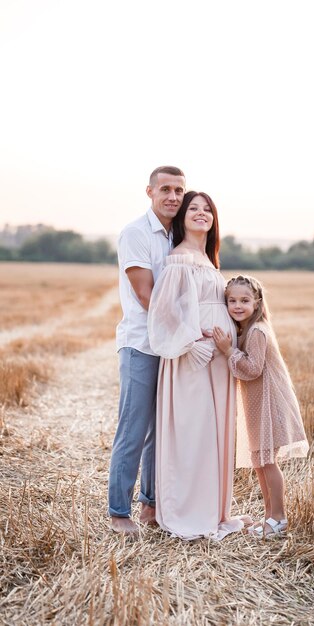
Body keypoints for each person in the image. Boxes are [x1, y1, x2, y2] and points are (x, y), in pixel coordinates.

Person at [147, 191, 249, 540]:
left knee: (214, 434)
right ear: (182, 218)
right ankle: (189, 512)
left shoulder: (207, 259)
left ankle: (214, 510)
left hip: (219, 361)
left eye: (207, 209)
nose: (202, 213)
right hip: (196, 358)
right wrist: (192, 342)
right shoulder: (179, 259)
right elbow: (164, 311)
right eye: (194, 208)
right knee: (194, 433)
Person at [108, 165, 186, 535]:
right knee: (134, 429)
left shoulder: (179, 238)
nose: (173, 197)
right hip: (141, 344)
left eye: (179, 191)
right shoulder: (136, 233)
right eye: (166, 189)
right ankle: (118, 513)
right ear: (150, 192)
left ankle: (151, 508)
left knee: (162, 431)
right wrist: (188, 333)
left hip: (171, 349)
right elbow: (145, 296)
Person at [212, 275, 309, 538]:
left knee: (268, 462)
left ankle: (278, 517)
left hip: (270, 403)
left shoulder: (256, 331)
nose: (237, 305)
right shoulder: (248, 329)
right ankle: (269, 517)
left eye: (244, 300)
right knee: (260, 461)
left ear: (257, 302)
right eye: (231, 300)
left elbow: (253, 369)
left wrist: (228, 350)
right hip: (258, 404)